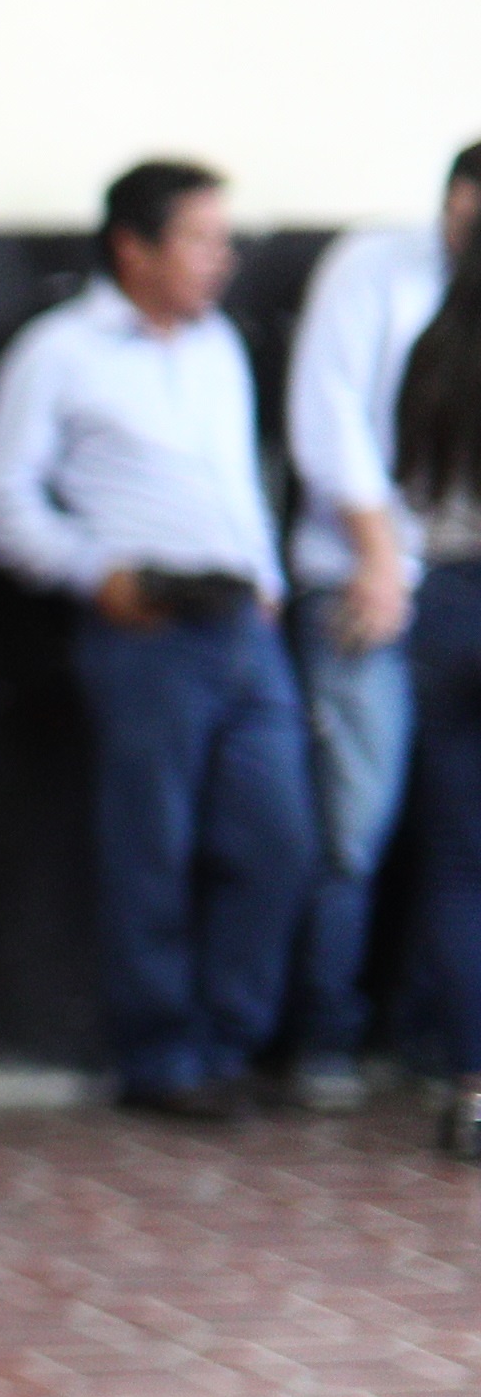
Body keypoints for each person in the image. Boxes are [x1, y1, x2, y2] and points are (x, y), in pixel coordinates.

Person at [0, 159, 318, 1120]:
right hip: (145, 630)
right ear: (134, 246)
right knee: (151, 849)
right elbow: (1, 502)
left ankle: (233, 1041)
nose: (225, 259)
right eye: (203, 238)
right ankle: (163, 1059)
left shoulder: (217, 349)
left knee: (278, 839)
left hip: (244, 624)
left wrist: (269, 585)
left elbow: (244, 482)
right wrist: (98, 576)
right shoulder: (60, 353)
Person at [283, 144, 481, 1098]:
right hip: (389, 582)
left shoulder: (442, 337)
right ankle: (335, 1039)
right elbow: (330, 421)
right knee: (362, 826)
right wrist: (378, 560)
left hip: (441, 591)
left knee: (451, 843)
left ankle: (447, 1056)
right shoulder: (387, 279)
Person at [391, 238, 481, 1160]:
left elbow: (408, 484)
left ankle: (473, 1087)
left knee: (462, 865)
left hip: (451, 603)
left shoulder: (438, 344)